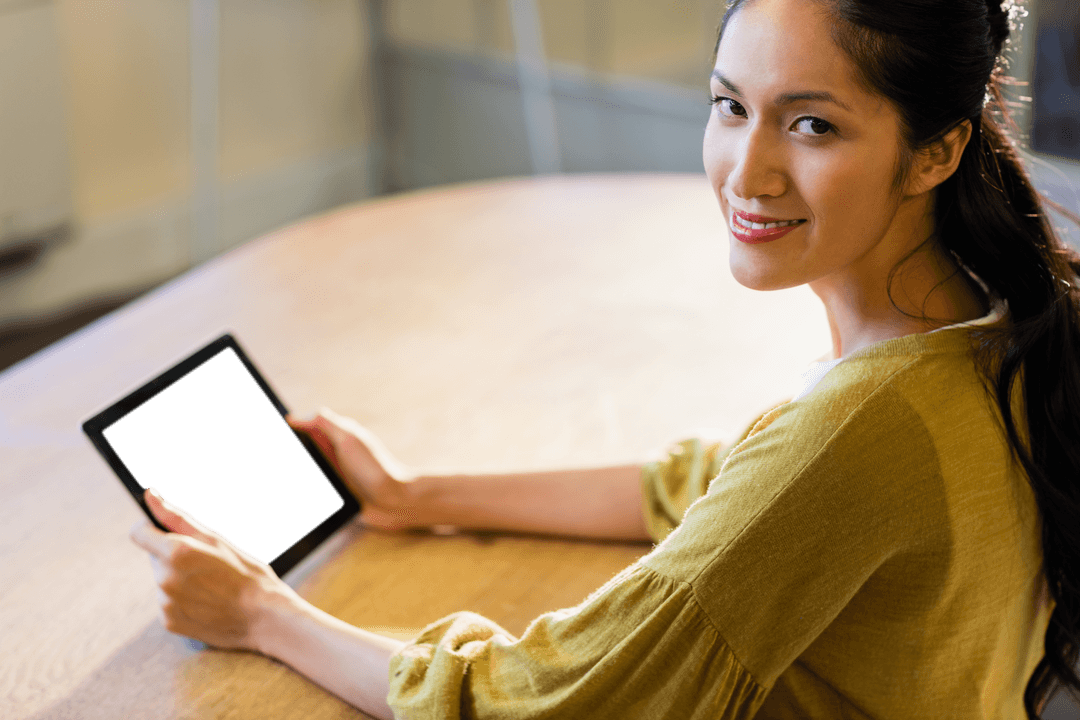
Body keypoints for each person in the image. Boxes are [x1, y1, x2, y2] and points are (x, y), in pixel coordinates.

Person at [128, 0, 1080, 717]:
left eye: (813, 124)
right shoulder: (991, 323)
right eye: (729, 105)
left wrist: (262, 616)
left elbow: (551, 701)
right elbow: (712, 487)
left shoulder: (865, 429)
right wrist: (419, 496)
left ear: (935, 153)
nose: (746, 172)